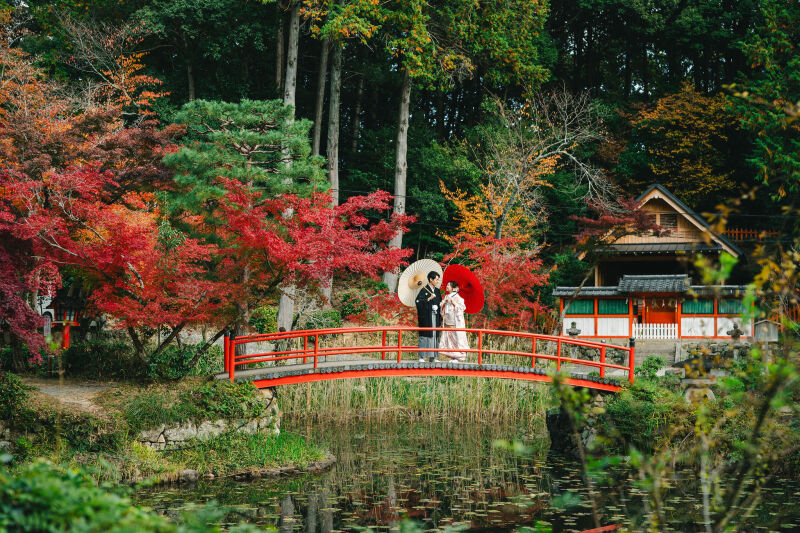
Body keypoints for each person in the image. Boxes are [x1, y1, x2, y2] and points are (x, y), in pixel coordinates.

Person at [439, 281, 470, 362]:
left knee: (456, 339)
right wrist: (444, 303)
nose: (447, 286)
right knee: (449, 340)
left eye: (448, 285)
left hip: (455, 322)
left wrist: (454, 303)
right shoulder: (446, 296)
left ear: (453, 288)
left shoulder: (458, 297)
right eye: (447, 285)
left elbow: (462, 308)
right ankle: (453, 356)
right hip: (447, 320)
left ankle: (459, 356)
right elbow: (441, 308)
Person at [415, 271, 442, 362]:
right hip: (426, 317)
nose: (437, 281)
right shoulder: (423, 290)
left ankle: (433, 357)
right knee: (425, 335)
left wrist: (438, 307)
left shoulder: (437, 291)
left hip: (435, 316)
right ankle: (421, 356)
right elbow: (418, 302)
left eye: (438, 280)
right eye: (436, 279)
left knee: (434, 335)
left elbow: (440, 303)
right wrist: (429, 298)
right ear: (431, 279)